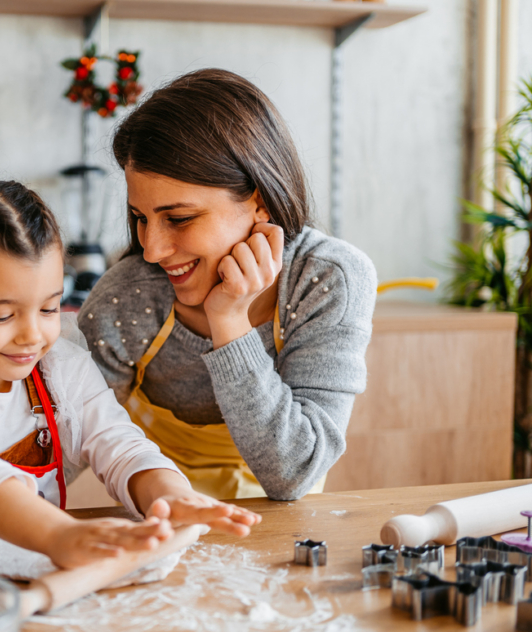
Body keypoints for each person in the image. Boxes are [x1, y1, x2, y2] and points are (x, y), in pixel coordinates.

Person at [0, 181, 259, 569]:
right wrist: (57, 532)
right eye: (1, 315)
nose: (33, 336)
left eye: (49, 308)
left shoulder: (60, 371)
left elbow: (120, 444)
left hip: (30, 565)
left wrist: (170, 498)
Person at [78, 69, 377, 501]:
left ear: (259, 200)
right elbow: (62, 442)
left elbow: (294, 474)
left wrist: (230, 320)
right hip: (160, 522)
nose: (152, 250)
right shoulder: (129, 296)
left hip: (287, 526)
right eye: (141, 218)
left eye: (179, 218)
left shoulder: (327, 281)